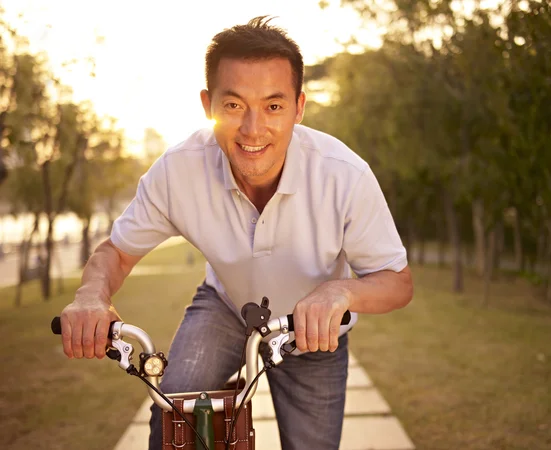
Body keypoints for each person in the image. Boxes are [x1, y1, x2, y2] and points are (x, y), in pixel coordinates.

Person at [58, 16, 413, 450]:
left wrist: (340, 292)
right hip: (225, 307)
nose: (253, 129)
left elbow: (397, 282)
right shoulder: (179, 170)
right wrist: (91, 295)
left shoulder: (345, 176)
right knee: (171, 412)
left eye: (274, 106)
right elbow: (116, 252)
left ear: (299, 107)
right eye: (234, 105)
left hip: (315, 331)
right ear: (209, 105)